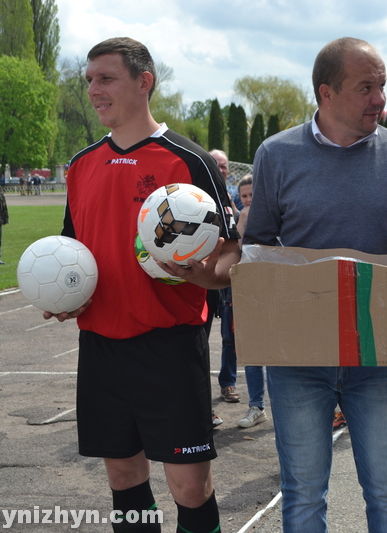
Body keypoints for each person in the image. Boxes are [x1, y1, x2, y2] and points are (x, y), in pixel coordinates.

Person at [244, 37, 387, 532]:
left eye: (382, 85)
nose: (380, 99)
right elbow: (257, 250)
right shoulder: (276, 156)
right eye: (366, 88)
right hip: (298, 360)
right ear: (327, 94)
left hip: (379, 355)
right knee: (302, 493)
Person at [47, 37, 241, 533]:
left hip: (169, 346)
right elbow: (76, 252)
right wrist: (66, 295)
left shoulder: (187, 161)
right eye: (89, 79)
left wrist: (202, 274)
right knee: (125, 478)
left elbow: (231, 254)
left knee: (190, 488)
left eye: (105, 78)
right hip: (100, 346)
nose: (93, 89)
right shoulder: (82, 165)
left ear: (144, 82)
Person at [233, 175, 268, 428]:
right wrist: (243, 222)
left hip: (278, 289)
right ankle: (256, 407)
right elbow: (235, 254)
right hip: (252, 291)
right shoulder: (241, 218)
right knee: (253, 351)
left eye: (252, 195)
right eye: (244, 196)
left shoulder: (277, 212)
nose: (248, 200)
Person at [209, 148, 241, 405]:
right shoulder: (194, 196)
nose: (221, 170)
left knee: (230, 335)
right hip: (204, 274)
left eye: (224, 165)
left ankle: (227, 383)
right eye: (216, 165)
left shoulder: (238, 197)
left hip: (229, 273)